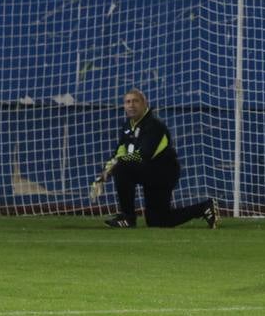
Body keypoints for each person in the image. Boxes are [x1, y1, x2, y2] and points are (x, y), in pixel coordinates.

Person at [92, 88, 218, 229]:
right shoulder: (127, 127)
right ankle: (204, 208)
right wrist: (104, 173)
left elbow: (144, 154)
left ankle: (127, 218)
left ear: (145, 104)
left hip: (163, 172)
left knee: (122, 167)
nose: (131, 105)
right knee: (157, 222)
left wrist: (117, 164)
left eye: (135, 101)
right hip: (147, 171)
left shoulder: (154, 126)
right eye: (128, 102)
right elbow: (119, 152)